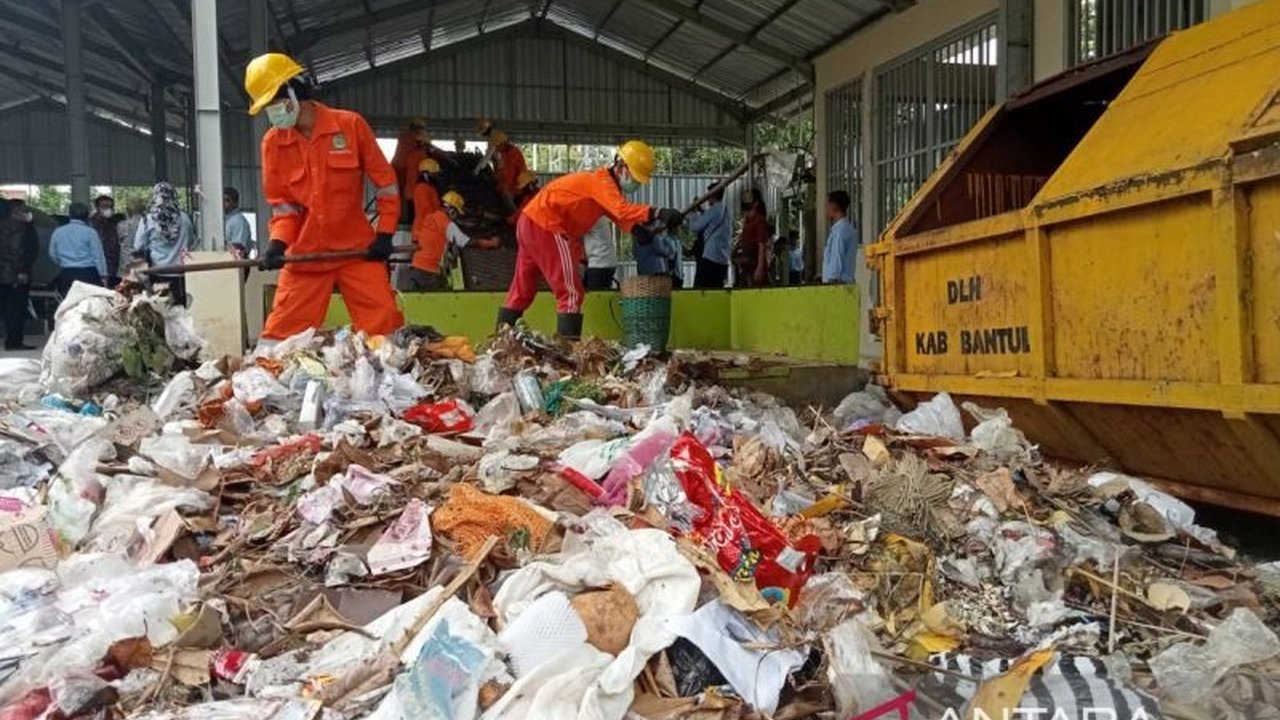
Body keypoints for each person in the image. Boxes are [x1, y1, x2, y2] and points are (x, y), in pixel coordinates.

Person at [246, 52, 403, 340]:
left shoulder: (351, 126)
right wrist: (277, 244)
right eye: (266, 106)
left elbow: (386, 185)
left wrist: (385, 234)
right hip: (306, 255)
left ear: (295, 90)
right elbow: (283, 207)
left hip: (356, 251)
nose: (272, 111)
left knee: (385, 332)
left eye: (273, 102)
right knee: (278, 340)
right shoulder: (273, 144)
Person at [496, 140, 682, 340]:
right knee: (571, 293)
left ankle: (500, 342)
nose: (636, 183)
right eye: (636, 178)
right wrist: (658, 212)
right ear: (621, 166)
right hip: (547, 225)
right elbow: (620, 210)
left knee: (521, 290)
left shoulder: (603, 187)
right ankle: (567, 349)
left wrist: (635, 229)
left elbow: (616, 214)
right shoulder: (601, 182)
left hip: (529, 223)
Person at [407, 191, 498, 292]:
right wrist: (490, 243)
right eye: (457, 213)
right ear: (451, 209)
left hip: (416, 267)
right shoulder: (446, 224)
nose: (457, 216)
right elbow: (465, 242)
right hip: (430, 271)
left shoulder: (430, 218)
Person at [133, 182, 195, 306]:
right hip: (181, 272)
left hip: (157, 272)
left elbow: (138, 246)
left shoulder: (147, 220)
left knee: (160, 308)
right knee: (181, 308)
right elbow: (191, 241)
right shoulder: (185, 218)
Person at [49, 202, 106, 296]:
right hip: (88, 273)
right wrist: (102, 275)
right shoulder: (91, 232)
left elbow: (52, 253)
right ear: (87, 216)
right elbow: (98, 256)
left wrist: (62, 262)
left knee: (69, 302)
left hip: (67, 273)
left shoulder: (58, 232)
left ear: (70, 214)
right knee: (88, 302)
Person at [0, 200, 36, 350]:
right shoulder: (19, 227)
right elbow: (17, 251)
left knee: (7, 309)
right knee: (17, 309)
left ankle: (11, 340)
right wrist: (21, 271)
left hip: (4, 274)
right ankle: (15, 341)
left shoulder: (3, 225)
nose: (27, 213)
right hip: (15, 275)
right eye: (24, 210)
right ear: (16, 212)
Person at [687, 184, 732, 289]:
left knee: (703, 288)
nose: (707, 198)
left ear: (713, 195)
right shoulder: (724, 210)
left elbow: (695, 226)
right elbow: (710, 221)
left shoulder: (714, 210)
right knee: (716, 289)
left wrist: (692, 213)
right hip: (723, 259)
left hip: (710, 257)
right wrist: (701, 211)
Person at [391, 117, 431, 225]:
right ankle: (405, 219)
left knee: (402, 196)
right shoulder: (414, 142)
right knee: (405, 197)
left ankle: (402, 219)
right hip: (402, 171)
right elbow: (427, 146)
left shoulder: (405, 138)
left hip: (399, 170)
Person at [734, 187, 770, 287]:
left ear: (755, 203)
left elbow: (761, 245)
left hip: (754, 264)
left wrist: (760, 267)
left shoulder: (759, 220)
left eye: (748, 199)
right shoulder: (747, 221)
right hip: (746, 265)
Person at [822, 190, 857, 284]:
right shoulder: (848, 229)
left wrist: (831, 279)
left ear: (833, 206)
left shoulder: (839, 231)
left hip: (837, 284)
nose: (825, 209)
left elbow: (836, 258)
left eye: (827, 205)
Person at [89, 195, 123, 288]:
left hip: (114, 265)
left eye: (111, 206)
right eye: (104, 206)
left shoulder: (115, 222)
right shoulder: (91, 224)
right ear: (97, 208)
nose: (108, 209)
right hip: (97, 265)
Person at [489, 130, 529, 201]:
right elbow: (500, 171)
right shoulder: (503, 153)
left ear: (502, 143)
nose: (495, 149)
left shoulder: (512, 153)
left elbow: (508, 173)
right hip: (512, 189)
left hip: (516, 191)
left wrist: (505, 191)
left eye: (496, 146)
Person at [582, 217, 617, 290]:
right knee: (602, 293)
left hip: (599, 263)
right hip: (605, 262)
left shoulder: (591, 217)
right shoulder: (599, 217)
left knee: (594, 294)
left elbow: (573, 230)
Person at [116, 198, 146, 279]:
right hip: (143, 262)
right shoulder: (147, 223)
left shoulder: (121, 225)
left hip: (126, 262)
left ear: (128, 210)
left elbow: (120, 241)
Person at [224, 187, 254, 257]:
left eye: (227, 200)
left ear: (235, 203)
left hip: (237, 261)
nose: (224, 203)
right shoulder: (227, 220)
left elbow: (238, 248)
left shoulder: (238, 221)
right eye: (222, 200)